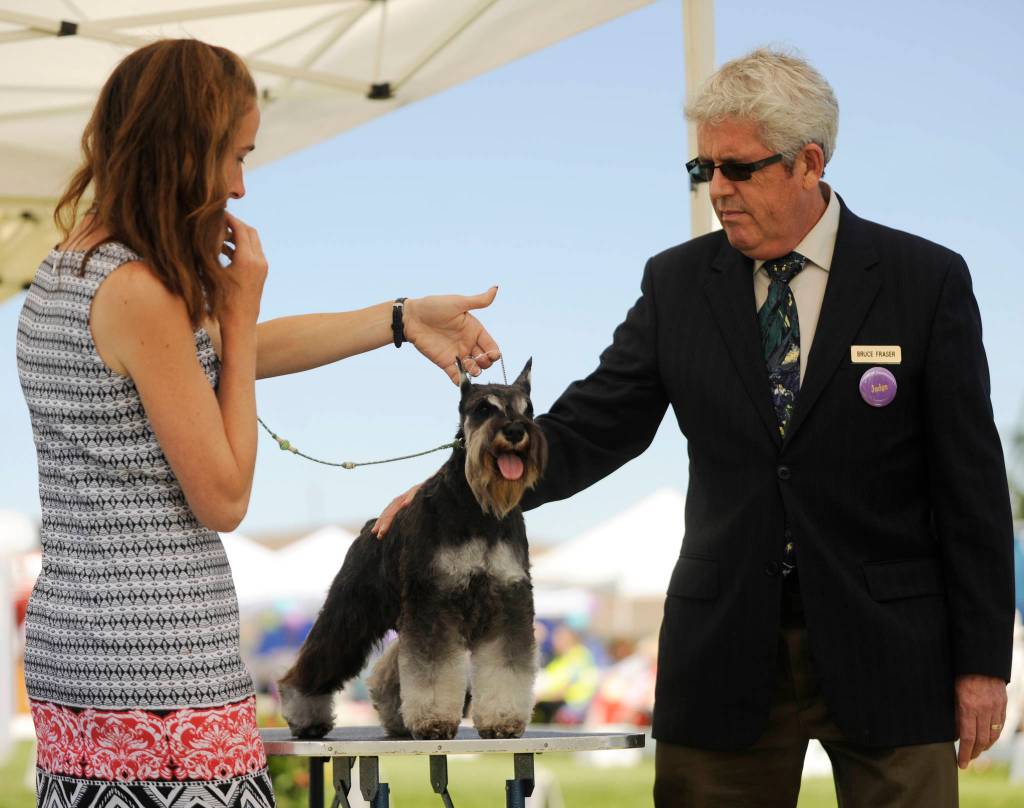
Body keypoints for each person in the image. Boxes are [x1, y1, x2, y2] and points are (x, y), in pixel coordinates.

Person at [375, 49, 1015, 806]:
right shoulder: (676, 284)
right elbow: (593, 423)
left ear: (809, 163)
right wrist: (456, 489)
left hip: (893, 652)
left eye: (738, 168)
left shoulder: (927, 281)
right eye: (702, 168)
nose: (717, 190)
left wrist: (983, 665)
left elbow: (971, 486)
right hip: (723, 651)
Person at [16, 39, 499, 807]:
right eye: (232, 157)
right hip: (159, 673)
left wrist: (400, 319)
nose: (240, 185)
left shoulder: (70, 271)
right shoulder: (141, 292)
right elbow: (225, 496)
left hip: (82, 662)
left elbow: (202, 366)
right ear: (179, 151)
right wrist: (239, 316)